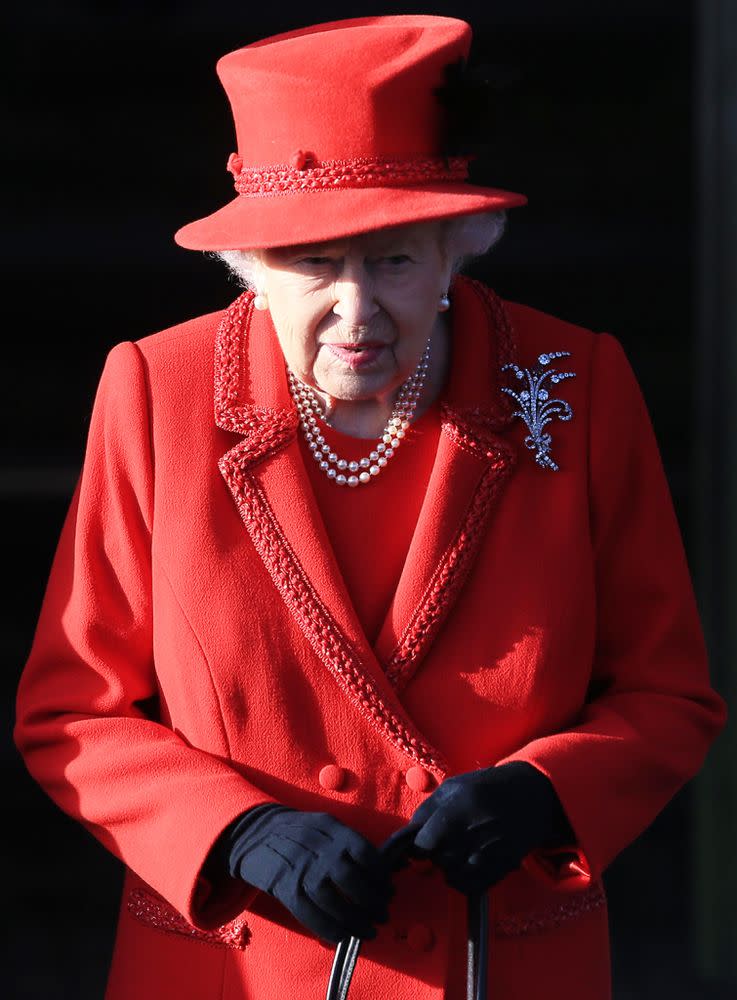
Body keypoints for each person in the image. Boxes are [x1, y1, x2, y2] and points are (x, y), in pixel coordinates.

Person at [14, 14, 727, 1000]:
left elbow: (668, 694)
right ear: (254, 269)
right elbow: (70, 711)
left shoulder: (575, 384)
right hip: (234, 969)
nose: (355, 309)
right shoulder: (154, 390)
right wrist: (236, 831)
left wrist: (547, 791)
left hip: (504, 963)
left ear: (453, 252)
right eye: (312, 262)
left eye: (393, 258)